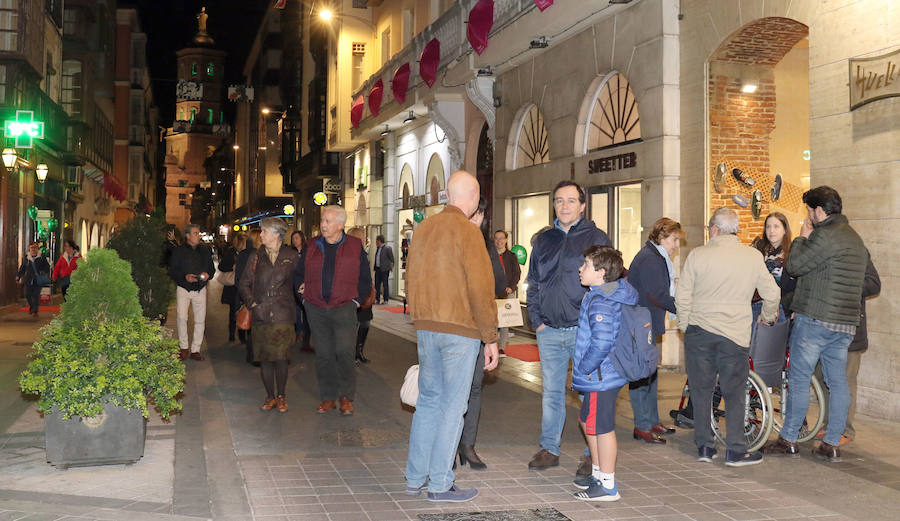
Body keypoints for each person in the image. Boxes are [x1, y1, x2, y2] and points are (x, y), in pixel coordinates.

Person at [404, 170, 499, 503]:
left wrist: (420, 317)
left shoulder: (424, 228)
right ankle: (441, 483)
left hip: (426, 327)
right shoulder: (468, 231)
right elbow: (480, 288)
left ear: (446, 194)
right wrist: (490, 337)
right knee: (452, 407)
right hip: (459, 330)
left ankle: (415, 477)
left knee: (428, 403)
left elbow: (410, 278)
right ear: (472, 198)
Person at [763, 186, 868, 463]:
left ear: (819, 211)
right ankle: (832, 443)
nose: (808, 215)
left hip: (815, 320)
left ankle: (789, 438)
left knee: (798, 379)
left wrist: (801, 238)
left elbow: (794, 266)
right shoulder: (855, 239)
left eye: (809, 210)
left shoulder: (823, 236)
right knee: (838, 382)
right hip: (845, 323)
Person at [676, 208, 780, 467]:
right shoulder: (752, 256)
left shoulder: (698, 255)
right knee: (735, 392)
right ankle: (735, 450)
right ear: (735, 230)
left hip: (700, 332)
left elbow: (683, 295)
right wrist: (767, 317)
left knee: (701, 390)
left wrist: (686, 325)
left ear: (713, 229)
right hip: (735, 336)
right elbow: (773, 294)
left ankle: (704, 446)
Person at [526, 180, 611, 474]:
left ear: (583, 205)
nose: (564, 206)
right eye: (559, 200)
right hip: (548, 330)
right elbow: (533, 282)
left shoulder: (597, 237)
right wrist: (535, 320)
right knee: (551, 392)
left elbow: (608, 283)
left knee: (589, 393)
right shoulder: (544, 239)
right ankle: (550, 448)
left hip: (583, 331)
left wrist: (596, 324)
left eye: (571, 201)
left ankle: (592, 453)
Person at [571, 246, 634, 502]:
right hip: (599, 375)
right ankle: (598, 475)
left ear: (602, 272)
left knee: (602, 428)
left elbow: (602, 341)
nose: (580, 268)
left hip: (600, 375)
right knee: (588, 422)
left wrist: (585, 367)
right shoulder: (598, 293)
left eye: (586, 264)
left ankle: (608, 485)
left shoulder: (603, 300)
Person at [297, 206, 372, 416]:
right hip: (316, 307)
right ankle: (328, 397)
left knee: (344, 352)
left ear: (340, 225)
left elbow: (365, 279)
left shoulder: (355, 246)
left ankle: (346, 397)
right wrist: (302, 295)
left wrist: (356, 302)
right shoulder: (312, 245)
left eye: (328, 221)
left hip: (344, 307)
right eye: (323, 220)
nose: (323, 225)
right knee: (323, 354)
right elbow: (298, 274)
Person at [457, 197, 507, 472]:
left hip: (472, 327)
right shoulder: (460, 241)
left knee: (472, 387)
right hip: (458, 326)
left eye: (479, 214)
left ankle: (464, 445)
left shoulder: (484, 244)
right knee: (459, 388)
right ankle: (457, 446)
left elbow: (499, 281)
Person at [625, 218, 681, 444]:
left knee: (651, 374)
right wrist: (682, 307)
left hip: (647, 322)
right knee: (641, 374)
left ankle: (652, 420)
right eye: (674, 239)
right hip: (641, 325)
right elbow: (655, 294)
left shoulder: (656, 256)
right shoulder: (651, 259)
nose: (677, 245)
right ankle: (642, 426)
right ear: (661, 236)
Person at [238, 218, 302, 413]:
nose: (261, 235)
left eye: (265, 231)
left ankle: (281, 396)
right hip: (261, 314)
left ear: (276, 234)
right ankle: (270, 396)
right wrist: (253, 304)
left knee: (281, 358)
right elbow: (243, 283)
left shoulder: (291, 256)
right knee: (265, 359)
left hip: (283, 314)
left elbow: (301, 280)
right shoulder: (255, 257)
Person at [814, 253, 879, 447]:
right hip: (825, 327)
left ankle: (845, 429)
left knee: (846, 380)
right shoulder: (826, 249)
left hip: (851, 330)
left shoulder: (859, 251)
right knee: (822, 377)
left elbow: (874, 284)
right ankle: (829, 424)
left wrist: (846, 285)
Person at [167, 224, 215, 361]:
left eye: (198, 233)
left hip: (200, 288)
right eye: (195, 233)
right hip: (183, 288)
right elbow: (173, 270)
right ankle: (183, 347)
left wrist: (207, 275)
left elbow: (211, 269)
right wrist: (184, 277)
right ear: (187, 235)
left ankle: (196, 349)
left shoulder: (205, 250)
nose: (198, 236)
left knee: (200, 320)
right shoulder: (179, 251)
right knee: (182, 318)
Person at [751, 212, 796, 322]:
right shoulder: (758, 250)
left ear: (785, 230)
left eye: (776, 226)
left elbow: (799, 286)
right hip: (755, 306)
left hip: (779, 308)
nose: (771, 231)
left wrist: (789, 306)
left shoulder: (793, 253)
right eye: (768, 227)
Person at [347, 227, 375, 364]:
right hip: (354, 295)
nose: (364, 239)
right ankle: (352, 354)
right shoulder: (351, 253)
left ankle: (359, 352)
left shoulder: (361, 252)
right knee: (354, 325)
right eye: (363, 236)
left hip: (363, 295)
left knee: (364, 323)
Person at [236, 229, 262, 364]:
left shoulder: (251, 254)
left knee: (255, 327)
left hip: (250, 295)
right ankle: (253, 355)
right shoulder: (252, 255)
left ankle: (252, 354)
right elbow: (241, 278)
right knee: (254, 327)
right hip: (252, 295)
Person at [494, 229, 521, 354]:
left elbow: (517, 273)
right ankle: (492, 345)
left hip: (508, 291)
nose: (499, 241)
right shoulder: (490, 256)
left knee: (505, 320)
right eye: (497, 238)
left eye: (501, 238)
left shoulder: (511, 256)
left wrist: (511, 286)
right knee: (492, 320)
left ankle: (502, 347)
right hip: (493, 293)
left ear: (506, 240)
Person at [290, 230, 312, 350]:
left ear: (302, 239)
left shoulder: (308, 252)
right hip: (293, 285)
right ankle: (298, 332)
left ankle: (306, 338)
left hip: (306, 285)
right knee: (296, 311)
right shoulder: (290, 253)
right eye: (293, 238)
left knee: (307, 312)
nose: (295, 240)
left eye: (297, 238)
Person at [17, 242, 51, 316]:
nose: (33, 249)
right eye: (32, 247)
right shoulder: (26, 257)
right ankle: (32, 307)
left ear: (37, 248)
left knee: (36, 295)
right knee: (27, 294)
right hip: (28, 279)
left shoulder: (42, 257)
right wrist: (18, 276)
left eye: (35, 247)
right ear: (29, 248)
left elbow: (47, 267)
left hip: (38, 280)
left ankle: (35, 310)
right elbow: (22, 268)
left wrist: (43, 272)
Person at [219, 234, 241, 342]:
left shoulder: (249, 252)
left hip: (244, 285)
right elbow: (221, 266)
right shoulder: (231, 252)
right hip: (233, 287)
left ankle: (242, 335)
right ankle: (232, 334)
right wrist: (232, 266)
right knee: (233, 311)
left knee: (243, 310)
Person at [373, 235, 394, 304]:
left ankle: (386, 299)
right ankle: (377, 299)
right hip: (378, 269)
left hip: (384, 270)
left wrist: (389, 268)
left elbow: (392, 259)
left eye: (377, 240)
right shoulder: (378, 248)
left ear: (379, 241)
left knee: (385, 285)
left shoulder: (388, 248)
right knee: (377, 285)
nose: (376, 242)